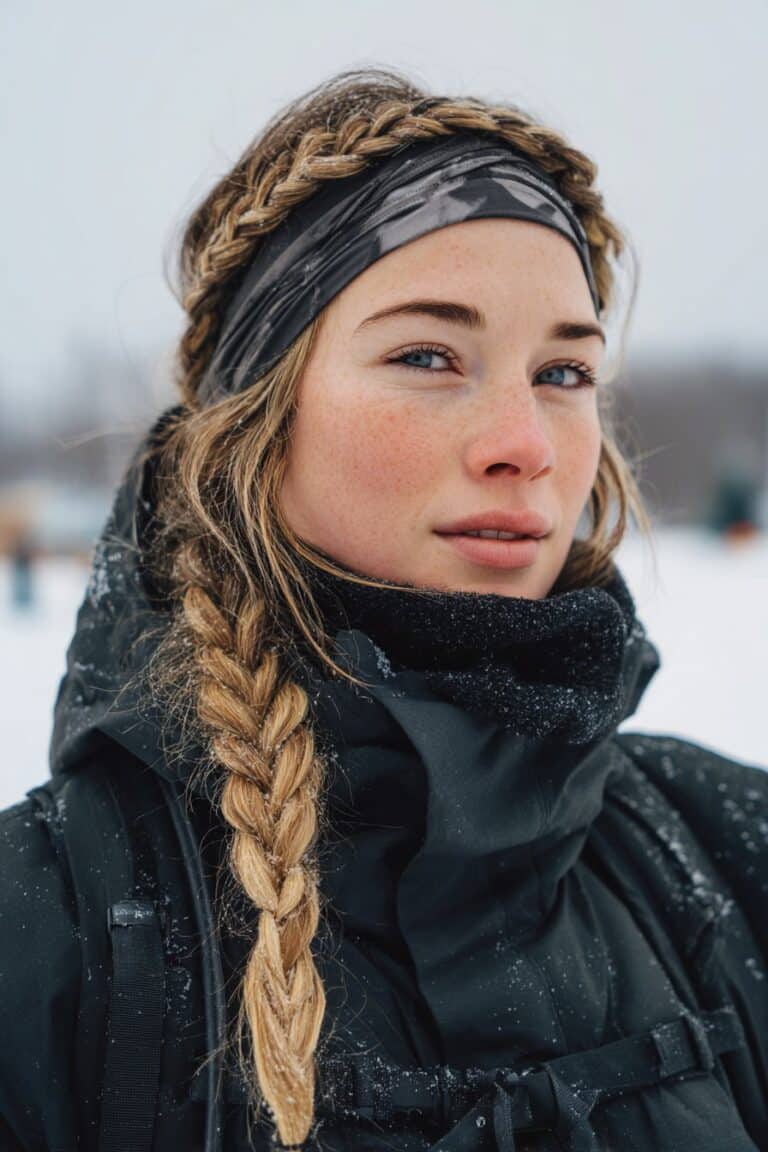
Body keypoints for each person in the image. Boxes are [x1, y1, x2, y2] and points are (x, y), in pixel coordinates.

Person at [0, 66, 766, 1152]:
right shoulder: (47, 940)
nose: (529, 444)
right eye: (427, 356)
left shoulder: (725, 857)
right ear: (255, 424)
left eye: (563, 372)